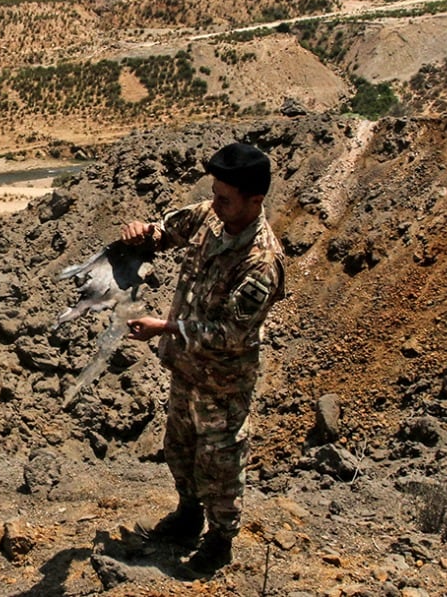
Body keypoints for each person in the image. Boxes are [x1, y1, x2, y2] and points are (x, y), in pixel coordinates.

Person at [121, 139, 286, 576]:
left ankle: (219, 540)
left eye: (225, 198)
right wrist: (145, 233)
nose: (215, 203)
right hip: (186, 368)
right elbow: (166, 231)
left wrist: (167, 328)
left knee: (220, 462)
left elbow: (231, 333)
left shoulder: (261, 261)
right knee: (180, 448)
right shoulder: (211, 216)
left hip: (222, 381)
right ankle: (187, 515)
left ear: (255, 200)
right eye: (213, 193)